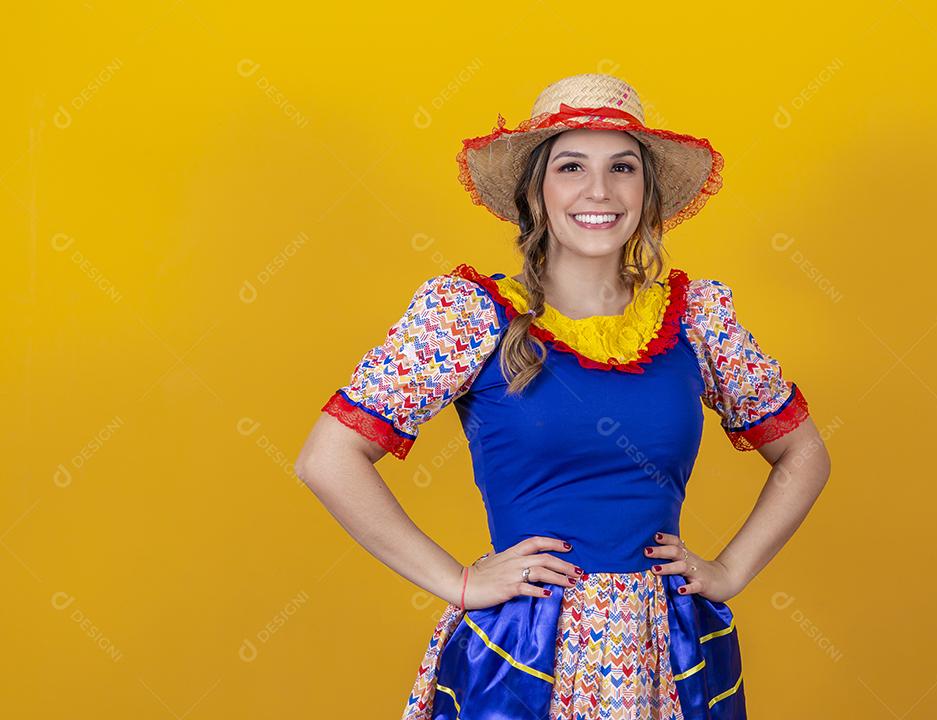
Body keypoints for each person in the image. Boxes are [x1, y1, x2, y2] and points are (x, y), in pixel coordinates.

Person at [296, 73, 831, 719]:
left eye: (622, 168)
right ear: (535, 191)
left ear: (647, 192)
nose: (598, 191)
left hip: (668, 645)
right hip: (527, 647)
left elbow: (803, 453)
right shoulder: (469, 315)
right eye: (571, 166)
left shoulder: (696, 318)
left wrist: (731, 571)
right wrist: (457, 582)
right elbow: (328, 458)